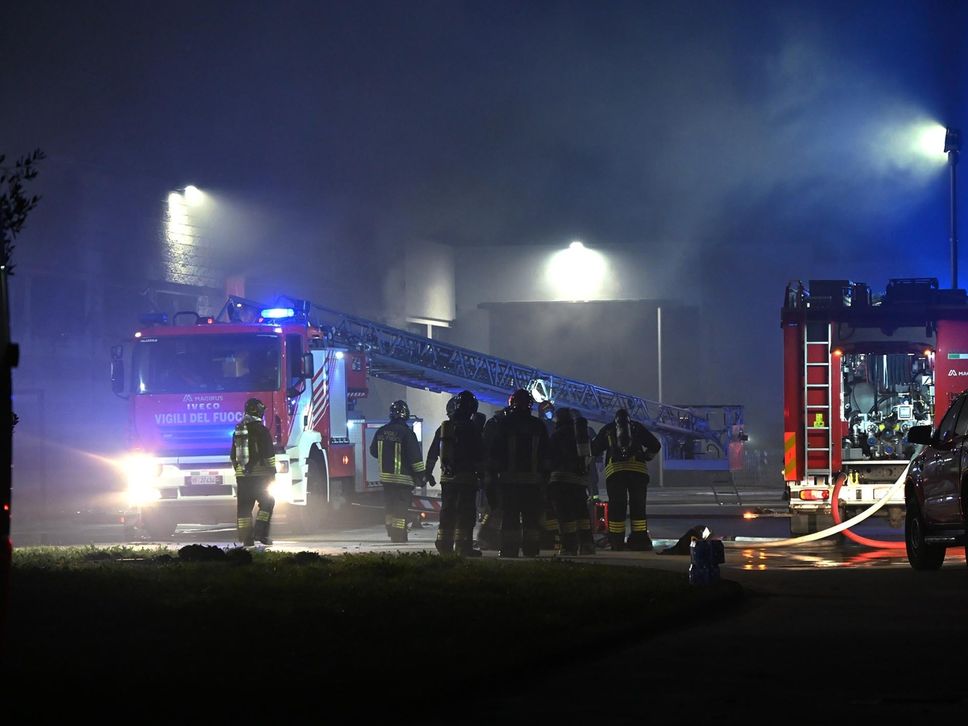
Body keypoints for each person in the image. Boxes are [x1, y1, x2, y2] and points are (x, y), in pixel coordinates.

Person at [591, 408, 661, 551]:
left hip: (616, 474)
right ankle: (640, 540)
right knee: (638, 508)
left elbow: (594, 449)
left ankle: (616, 541)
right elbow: (656, 445)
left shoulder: (608, 429)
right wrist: (646, 456)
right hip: (638, 474)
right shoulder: (637, 427)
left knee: (617, 508)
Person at [490, 388, 549, 557]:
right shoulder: (539, 426)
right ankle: (531, 549)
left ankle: (509, 549)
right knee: (531, 519)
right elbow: (546, 455)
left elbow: (495, 452)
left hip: (510, 482)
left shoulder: (504, 424)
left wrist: (492, 477)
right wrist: (545, 479)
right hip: (533, 483)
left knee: (510, 518)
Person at [426, 391, 484, 556]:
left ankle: (444, 545)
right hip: (467, 479)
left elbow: (433, 453)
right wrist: (483, 475)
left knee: (447, 511)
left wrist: (428, 473)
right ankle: (463, 546)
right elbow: (480, 454)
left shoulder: (445, 427)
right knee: (466, 513)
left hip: (447, 479)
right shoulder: (473, 429)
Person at [369, 399, 428, 543]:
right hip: (403, 480)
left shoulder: (381, 431)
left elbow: (373, 452)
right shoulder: (407, 433)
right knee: (400, 509)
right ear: (406, 415)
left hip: (386, 479)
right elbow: (415, 458)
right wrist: (422, 476)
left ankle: (390, 530)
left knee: (389, 506)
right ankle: (398, 535)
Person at [230, 397, 277, 547]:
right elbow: (269, 455)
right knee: (268, 503)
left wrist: (240, 472)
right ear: (259, 411)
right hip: (261, 478)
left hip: (243, 478)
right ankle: (260, 532)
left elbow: (233, 456)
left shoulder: (238, 431)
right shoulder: (262, 431)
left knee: (244, 508)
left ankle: (246, 539)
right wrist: (272, 474)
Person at [476, 404, 509, 550]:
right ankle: (488, 538)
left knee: (493, 508)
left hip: (490, 474)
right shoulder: (502, 428)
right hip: (497, 475)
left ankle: (487, 538)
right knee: (497, 509)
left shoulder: (491, 425)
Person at [536, 400, 560, 552]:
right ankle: (547, 537)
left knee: (549, 506)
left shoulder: (549, 426)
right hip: (542, 471)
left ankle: (550, 537)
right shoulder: (539, 426)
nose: (549, 413)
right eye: (546, 411)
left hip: (549, 471)